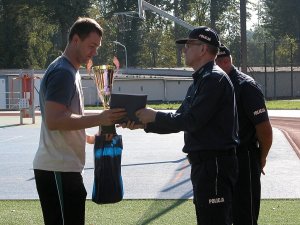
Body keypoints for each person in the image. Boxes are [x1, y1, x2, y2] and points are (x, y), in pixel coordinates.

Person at [123, 26, 239, 225]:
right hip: (205, 165)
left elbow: (191, 121)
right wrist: (144, 123)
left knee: (215, 219)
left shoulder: (213, 79)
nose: (184, 50)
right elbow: (179, 117)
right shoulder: (201, 80)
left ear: (203, 49)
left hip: (215, 165)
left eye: (188, 45)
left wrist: (154, 116)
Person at [33, 17, 126, 225]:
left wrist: (92, 138)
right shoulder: (63, 72)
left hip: (65, 168)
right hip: (57, 168)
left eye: (97, 47)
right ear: (75, 39)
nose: (94, 52)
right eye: (91, 46)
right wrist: (100, 118)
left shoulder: (70, 70)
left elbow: (67, 119)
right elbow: (55, 121)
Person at [215, 44, 273, 225]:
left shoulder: (245, 85)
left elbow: (264, 128)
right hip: (219, 161)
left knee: (244, 215)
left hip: (243, 159)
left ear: (225, 61)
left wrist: (261, 157)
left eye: (212, 62)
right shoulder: (213, 83)